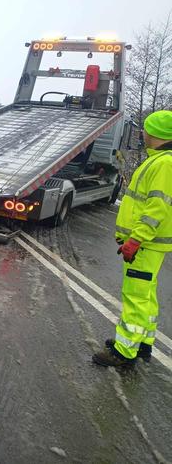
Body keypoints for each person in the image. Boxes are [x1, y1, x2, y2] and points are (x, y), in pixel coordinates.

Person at [93, 110, 172, 367]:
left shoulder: (164, 164)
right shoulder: (161, 160)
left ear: (156, 134)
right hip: (149, 244)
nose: (143, 133)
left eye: (146, 129)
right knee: (146, 296)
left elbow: (156, 208)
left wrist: (136, 239)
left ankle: (123, 353)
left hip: (145, 244)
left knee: (135, 297)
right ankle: (141, 344)